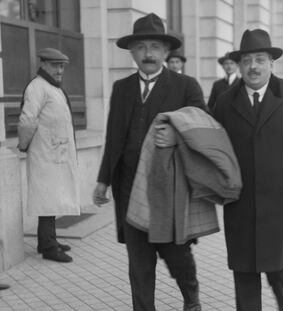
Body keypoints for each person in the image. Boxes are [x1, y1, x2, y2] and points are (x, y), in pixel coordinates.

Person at [92, 13, 208, 311]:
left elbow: (202, 129)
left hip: (169, 192)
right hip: (130, 191)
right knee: (139, 265)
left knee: (177, 256)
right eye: (141, 47)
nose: (148, 53)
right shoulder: (121, 89)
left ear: (167, 52)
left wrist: (176, 136)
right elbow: (114, 137)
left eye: (155, 46)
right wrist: (103, 179)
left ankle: (191, 297)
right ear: (132, 52)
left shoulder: (186, 86)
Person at [214, 29, 283, 311]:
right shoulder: (224, 103)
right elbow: (217, 147)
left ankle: (281, 293)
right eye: (247, 60)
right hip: (242, 201)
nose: (253, 66)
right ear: (239, 65)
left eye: (260, 59)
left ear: (272, 63)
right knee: (245, 271)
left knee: (281, 266)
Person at [17, 48, 78, 263]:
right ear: (42, 64)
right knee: (47, 199)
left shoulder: (53, 87)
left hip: (55, 154)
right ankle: (48, 247)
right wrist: (23, 146)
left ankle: (48, 240)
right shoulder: (37, 88)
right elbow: (27, 121)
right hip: (44, 154)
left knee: (53, 199)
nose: (60, 70)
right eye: (55, 65)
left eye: (62, 66)